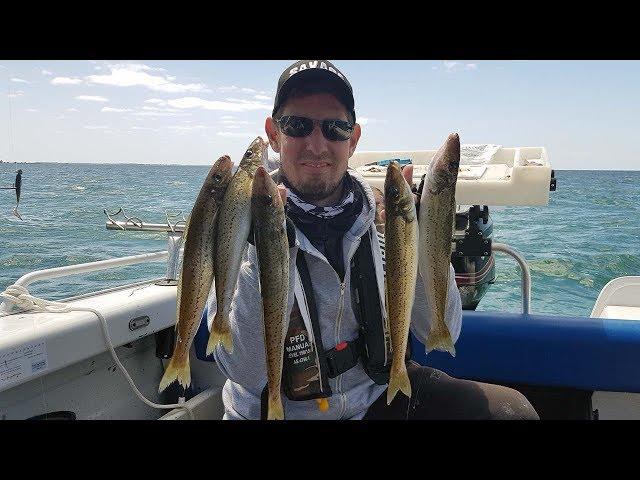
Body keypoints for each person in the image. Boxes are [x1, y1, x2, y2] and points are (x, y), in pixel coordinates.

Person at [196, 60, 539, 420]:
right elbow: (245, 372)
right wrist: (260, 250)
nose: (317, 144)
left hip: (377, 396)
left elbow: (441, 331)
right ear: (274, 133)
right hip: (277, 410)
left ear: (353, 138)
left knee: (511, 413)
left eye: (335, 128)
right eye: (298, 125)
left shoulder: (382, 216)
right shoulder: (239, 224)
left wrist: (420, 243)